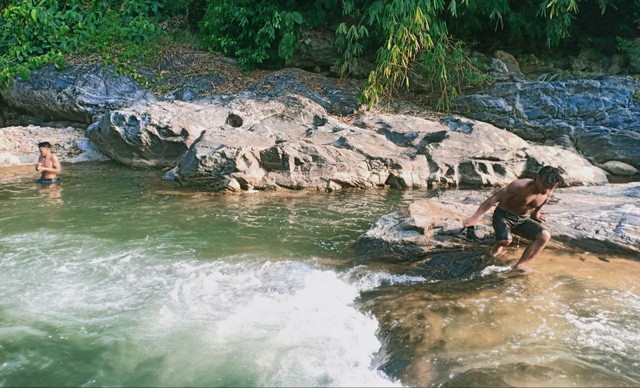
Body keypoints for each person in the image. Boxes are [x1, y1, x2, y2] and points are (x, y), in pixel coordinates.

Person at [462, 166, 565, 272]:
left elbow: (536, 210)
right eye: (545, 185)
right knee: (505, 241)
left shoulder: (546, 194)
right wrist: (474, 218)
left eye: (551, 188)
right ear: (537, 178)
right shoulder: (519, 186)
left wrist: (537, 215)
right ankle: (497, 246)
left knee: (544, 236)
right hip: (503, 216)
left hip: (522, 220)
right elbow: (494, 198)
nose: (546, 190)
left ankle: (520, 265)